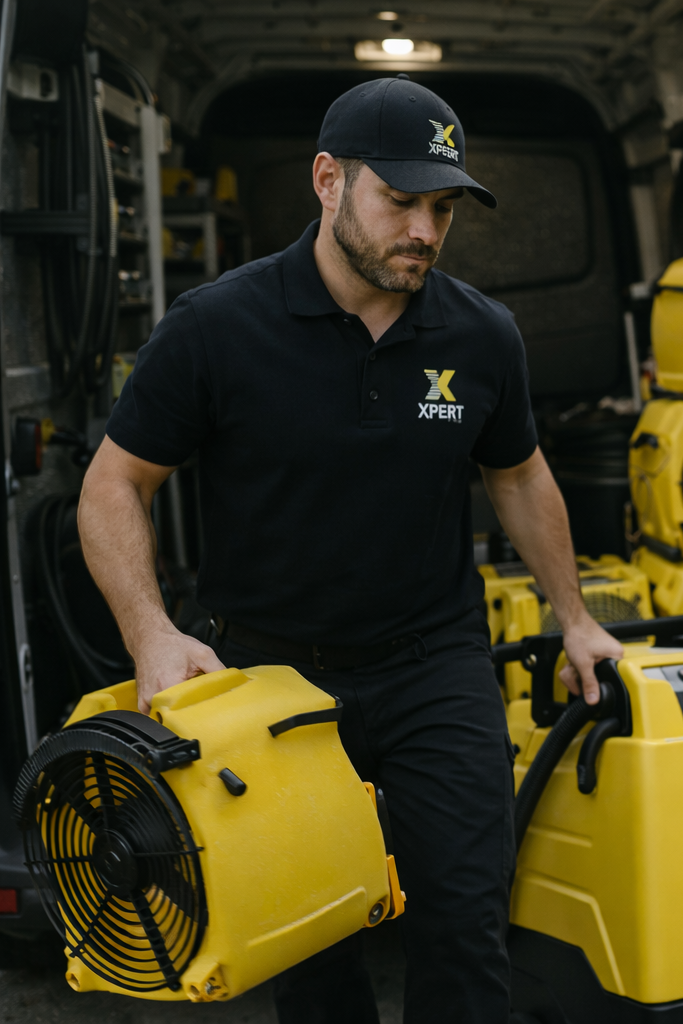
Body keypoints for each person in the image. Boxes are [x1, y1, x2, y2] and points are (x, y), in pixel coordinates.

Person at [77, 75, 624, 1022]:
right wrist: (150, 634)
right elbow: (113, 483)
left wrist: (574, 619)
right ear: (327, 181)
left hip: (433, 667)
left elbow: (520, 475)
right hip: (269, 681)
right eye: (400, 199)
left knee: (463, 926)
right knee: (312, 942)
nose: (425, 229)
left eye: (443, 207)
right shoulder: (218, 328)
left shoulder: (482, 335)